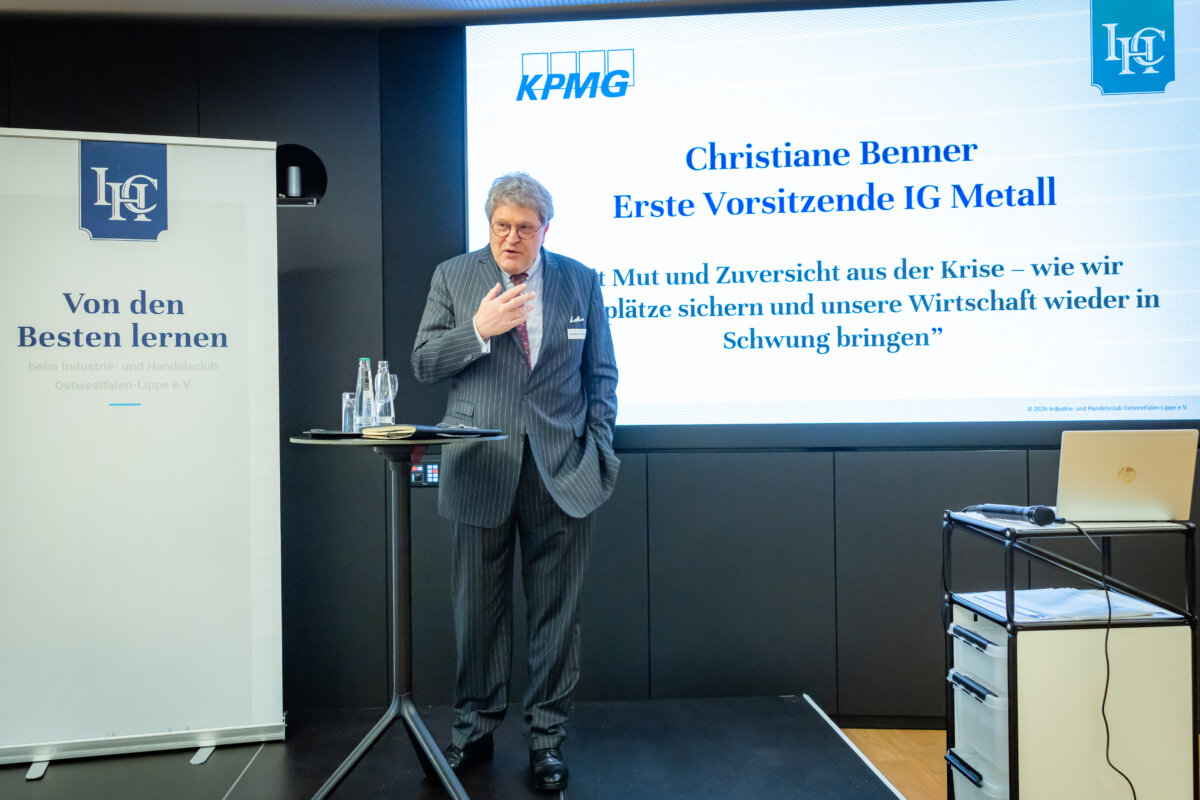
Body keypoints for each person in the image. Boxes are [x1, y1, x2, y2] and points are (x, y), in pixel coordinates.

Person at [411, 172, 619, 791]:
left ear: (545, 230)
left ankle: (547, 740)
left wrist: (598, 449)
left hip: (563, 471)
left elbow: (601, 376)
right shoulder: (454, 277)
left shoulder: (580, 280)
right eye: (501, 226)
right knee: (478, 612)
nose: (511, 238)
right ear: (489, 225)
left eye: (524, 228)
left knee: (558, 614)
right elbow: (423, 363)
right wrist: (478, 330)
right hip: (481, 468)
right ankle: (472, 732)